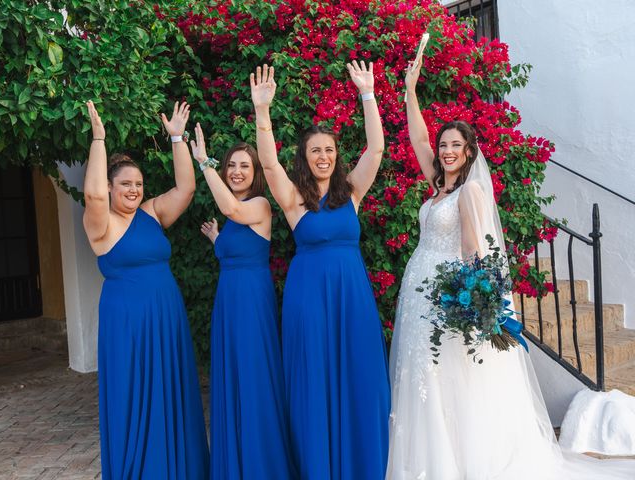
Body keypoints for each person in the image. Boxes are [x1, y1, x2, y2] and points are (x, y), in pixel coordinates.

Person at [386, 51, 635, 480]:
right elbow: (419, 141)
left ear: (468, 153)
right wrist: (409, 91)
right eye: (444, 145)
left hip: (446, 290)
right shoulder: (436, 187)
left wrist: (470, 298)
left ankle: (459, 463)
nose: (445, 151)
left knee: (450, 372)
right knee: (423, 370)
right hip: (418, 288)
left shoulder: (468, 194)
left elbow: (472, 252)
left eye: (454, 146)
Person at [250, 63, 390, 479]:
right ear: (305, 159)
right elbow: (269, 165)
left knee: (360, 375)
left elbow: (377, 150)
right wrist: (262, 111)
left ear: (336, 155)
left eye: (329, 150)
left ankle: (364, 465)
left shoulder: (352, 192)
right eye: (315, 151)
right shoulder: (294, 200)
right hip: (309, 299)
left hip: (353, 298)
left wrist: (368, 94)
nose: (324, 157)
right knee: (314, 382)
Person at [83, 101, 210, 479]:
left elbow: (186, 189)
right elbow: (91, 196)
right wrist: (99, 139)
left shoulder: (152, 214)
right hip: (128, 323)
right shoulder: (101, 224)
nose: (134, 190)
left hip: (165, 318)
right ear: (109, 186)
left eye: (138, 184)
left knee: (170, 393)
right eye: (125, 184)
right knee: (133, 395)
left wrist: (176, 138)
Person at [191, 125, 295, 479]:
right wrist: (217, 238)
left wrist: (203, 161)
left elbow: (232, 209)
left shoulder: (261, 205)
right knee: (231, 375)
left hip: (251, 302)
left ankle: (260, 464)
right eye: (231, 166)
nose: (236, 171)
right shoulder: (231, 219)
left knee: (252, 374)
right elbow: (233, 237)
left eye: (243, 166)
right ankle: (234, 462)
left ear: (254, 174)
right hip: (228, 304)